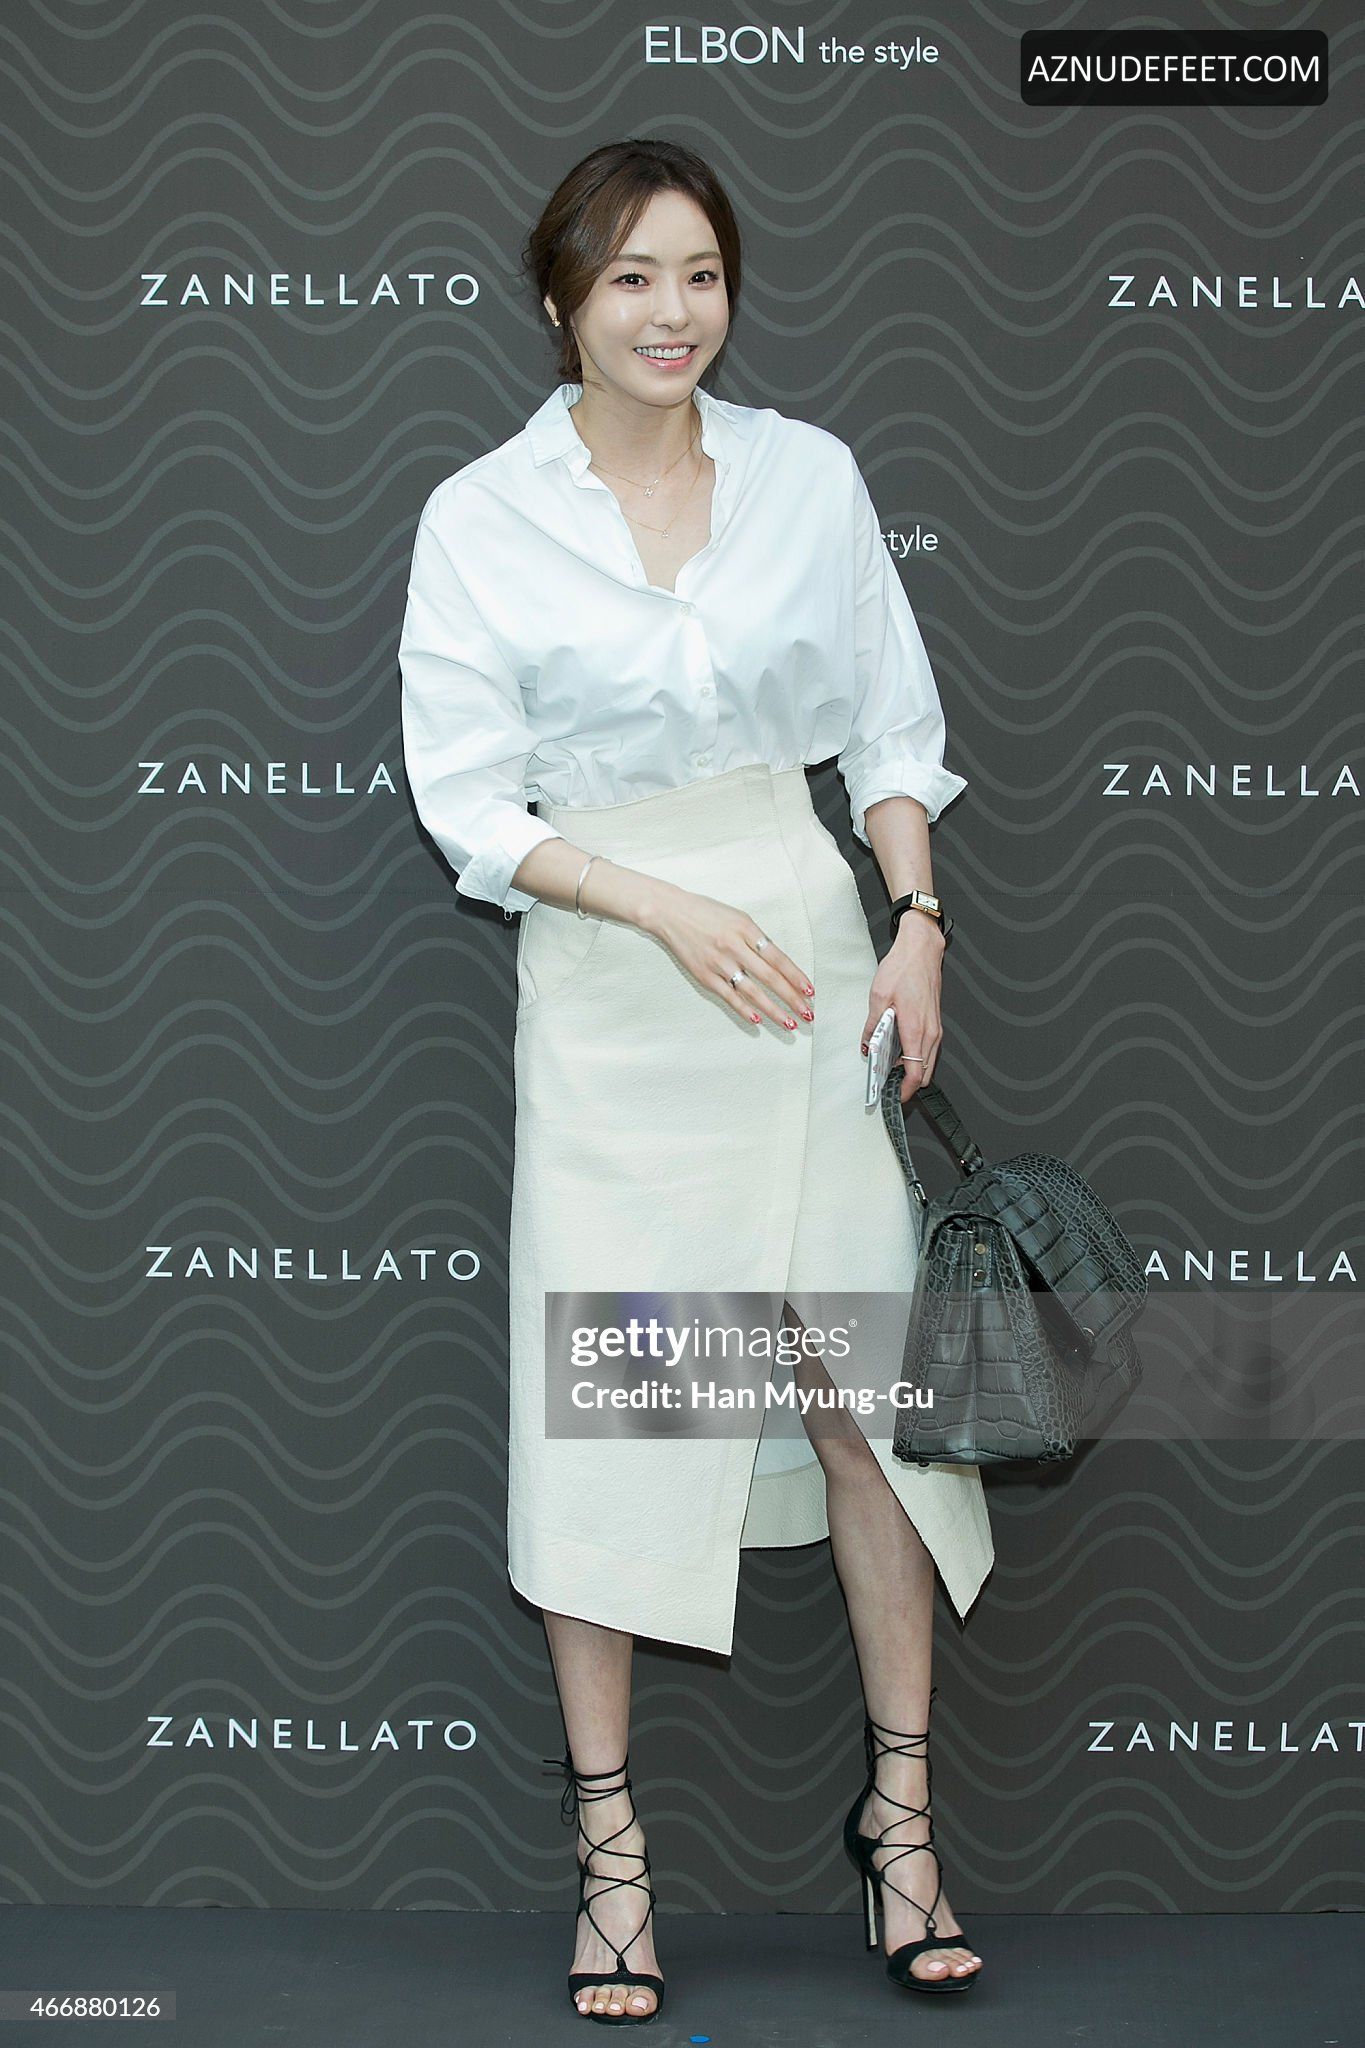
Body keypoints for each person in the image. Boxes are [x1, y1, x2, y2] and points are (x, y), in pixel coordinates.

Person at [398, 137, 993, 2023]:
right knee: (620, 1419)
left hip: (808, 970)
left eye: (700, 274)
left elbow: (889, 724)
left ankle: (901, 1827)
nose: (671, 313)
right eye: (631, 279)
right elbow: (468, 799)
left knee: (867, 1403)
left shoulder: (807, 477)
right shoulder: (481, 516)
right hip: (616, 988)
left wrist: (914, 918)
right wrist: (651, 903)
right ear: (560, 301)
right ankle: (610, 1864)